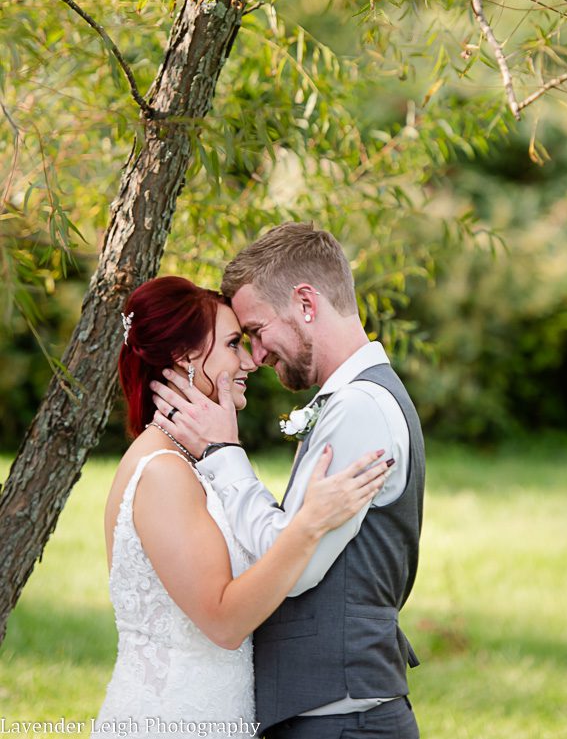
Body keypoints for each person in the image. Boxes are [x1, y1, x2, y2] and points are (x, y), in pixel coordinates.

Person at [151, 224, 425, 739]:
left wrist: (223, 452)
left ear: (305, 303)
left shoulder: (361, 408)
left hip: (344, 723)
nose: (255, 356)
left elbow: (294, 564)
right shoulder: (353, 401)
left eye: (255, 330)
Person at [94, 275, 390, 736]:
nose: (250, 360)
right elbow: (224, 622)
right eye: (233, 343)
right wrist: (308, 525)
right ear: (185, 358)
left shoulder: (190, 463)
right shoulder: (162, 473)